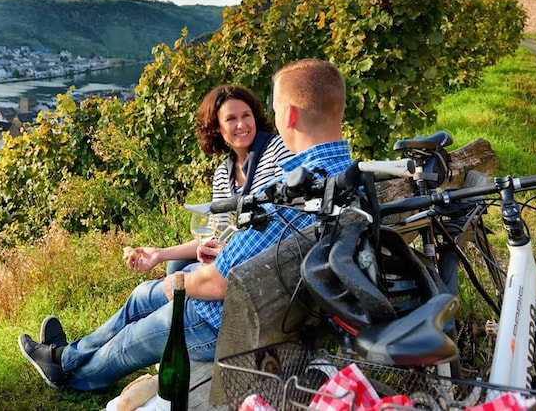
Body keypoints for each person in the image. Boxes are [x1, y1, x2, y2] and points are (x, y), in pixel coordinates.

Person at [18, 58, 353, 391]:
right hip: (270, 304)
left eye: (276, 109)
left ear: (290, 115)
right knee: (142, 297)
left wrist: (179, 280)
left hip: (231, 321)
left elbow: (218, 284)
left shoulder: (294, 192)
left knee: (131, 339)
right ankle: (64, 357)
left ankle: (71, 376)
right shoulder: (351, 179)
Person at [124, 84, 293, 275]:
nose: (241, 124)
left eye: (246, 115)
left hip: (263, 257)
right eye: (231, 119)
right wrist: (161, 254)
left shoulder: (277, 149)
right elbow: (217, 234)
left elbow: (287, 216)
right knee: (174, 266)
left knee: (148, 294)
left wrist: (228, 253)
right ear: (216, 128)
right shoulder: (222, 174)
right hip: (233, 255)